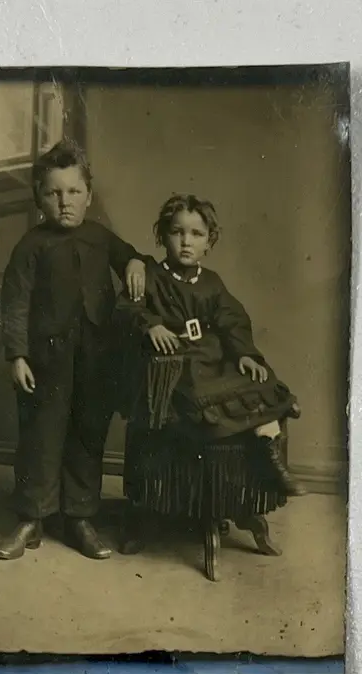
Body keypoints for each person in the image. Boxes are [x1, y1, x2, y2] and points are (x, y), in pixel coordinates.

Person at [0, 140, 146, 562]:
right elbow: (15, 302)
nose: (65, 202)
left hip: (96, 356)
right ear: (38, 198)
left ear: (89, 195)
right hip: (47, 360)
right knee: (42, 436)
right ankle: (32, 518)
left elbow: (129, 255)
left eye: (74, 192)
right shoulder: (32, 245)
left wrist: (135, 263)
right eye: (54, 193)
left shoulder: (99, 237)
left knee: (86, 433)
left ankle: (79, 516)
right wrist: (17, 355)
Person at [114, 193, 306, 497]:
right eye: (177, 232)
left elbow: (232, 319)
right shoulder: (152, 275)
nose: (186, 242)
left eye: (196, 234)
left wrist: (245, 354)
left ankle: (268, 453)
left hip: (211, 355)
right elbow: (127, 307)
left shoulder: (211, 282)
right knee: (200, 394)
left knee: (261, 379)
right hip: (176, 362)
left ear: (209, 242)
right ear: (163, 236)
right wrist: (152, 324)